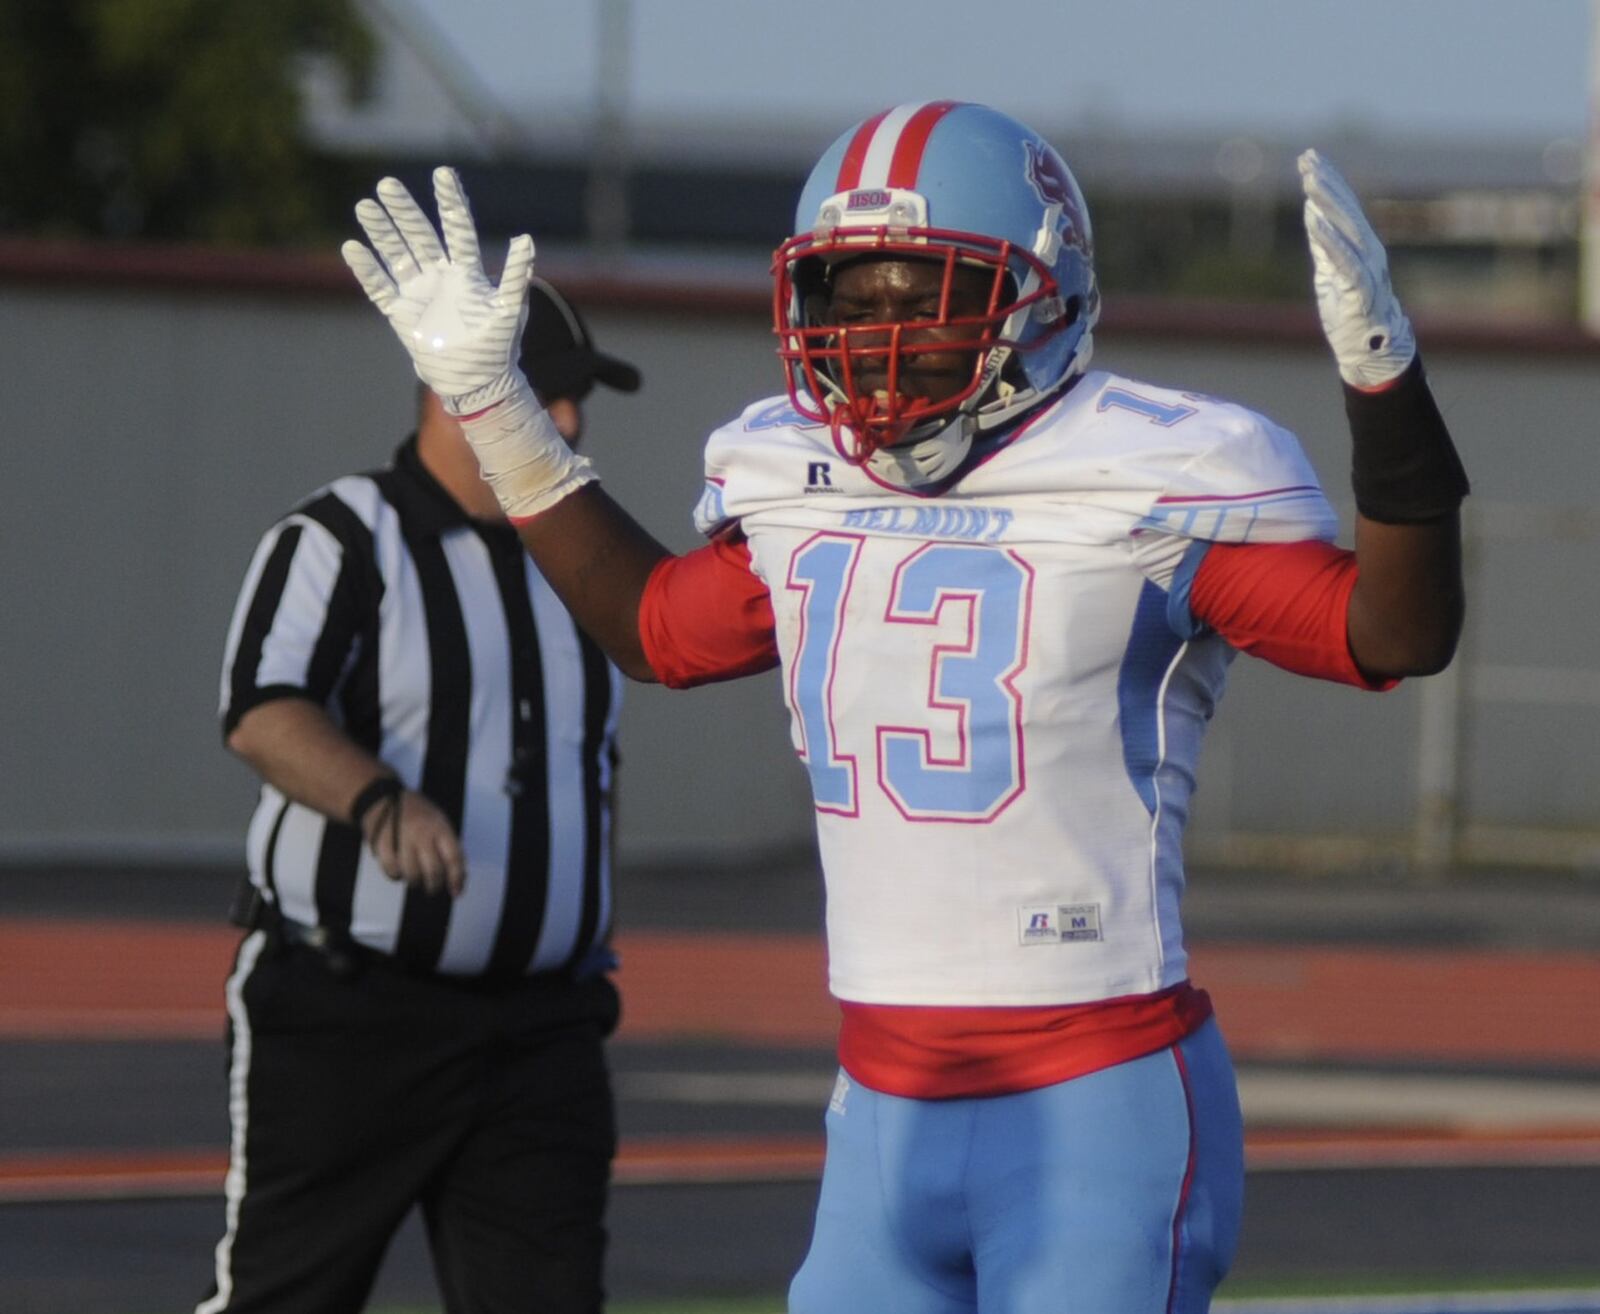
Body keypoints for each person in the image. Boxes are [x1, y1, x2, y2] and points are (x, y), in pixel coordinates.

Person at [341, 101, 1467, 1314]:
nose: (879, 338)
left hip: (1092, 1099)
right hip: (881, 1107)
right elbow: (655, 631)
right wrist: (497, 410)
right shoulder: (792, 476)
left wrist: (1383, 389)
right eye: (849, 298)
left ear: (1041, 298)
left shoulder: (1150, 469)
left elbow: (1393, 632)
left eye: (924, 294)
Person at [204, 277, 641, 1314]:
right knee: (288, 1296)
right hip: (353, 1011)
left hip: (542, 1029)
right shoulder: (344, 535)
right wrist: (379, 800)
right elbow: (261, 708)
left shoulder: (576, 559)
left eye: (576, 399)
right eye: (549, 397)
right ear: (457, 395)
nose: (571, 423)